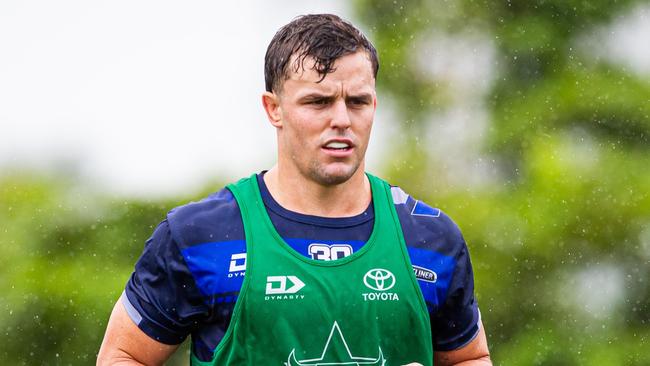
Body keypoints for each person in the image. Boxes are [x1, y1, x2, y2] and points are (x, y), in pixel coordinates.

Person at [97, 13, 491, 366]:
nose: (341, 120)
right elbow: (123, 355)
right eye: (318, 102)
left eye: (357, 102)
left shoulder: (430, 238)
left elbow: (469, 358)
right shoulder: (200, 236)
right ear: (274, 109)